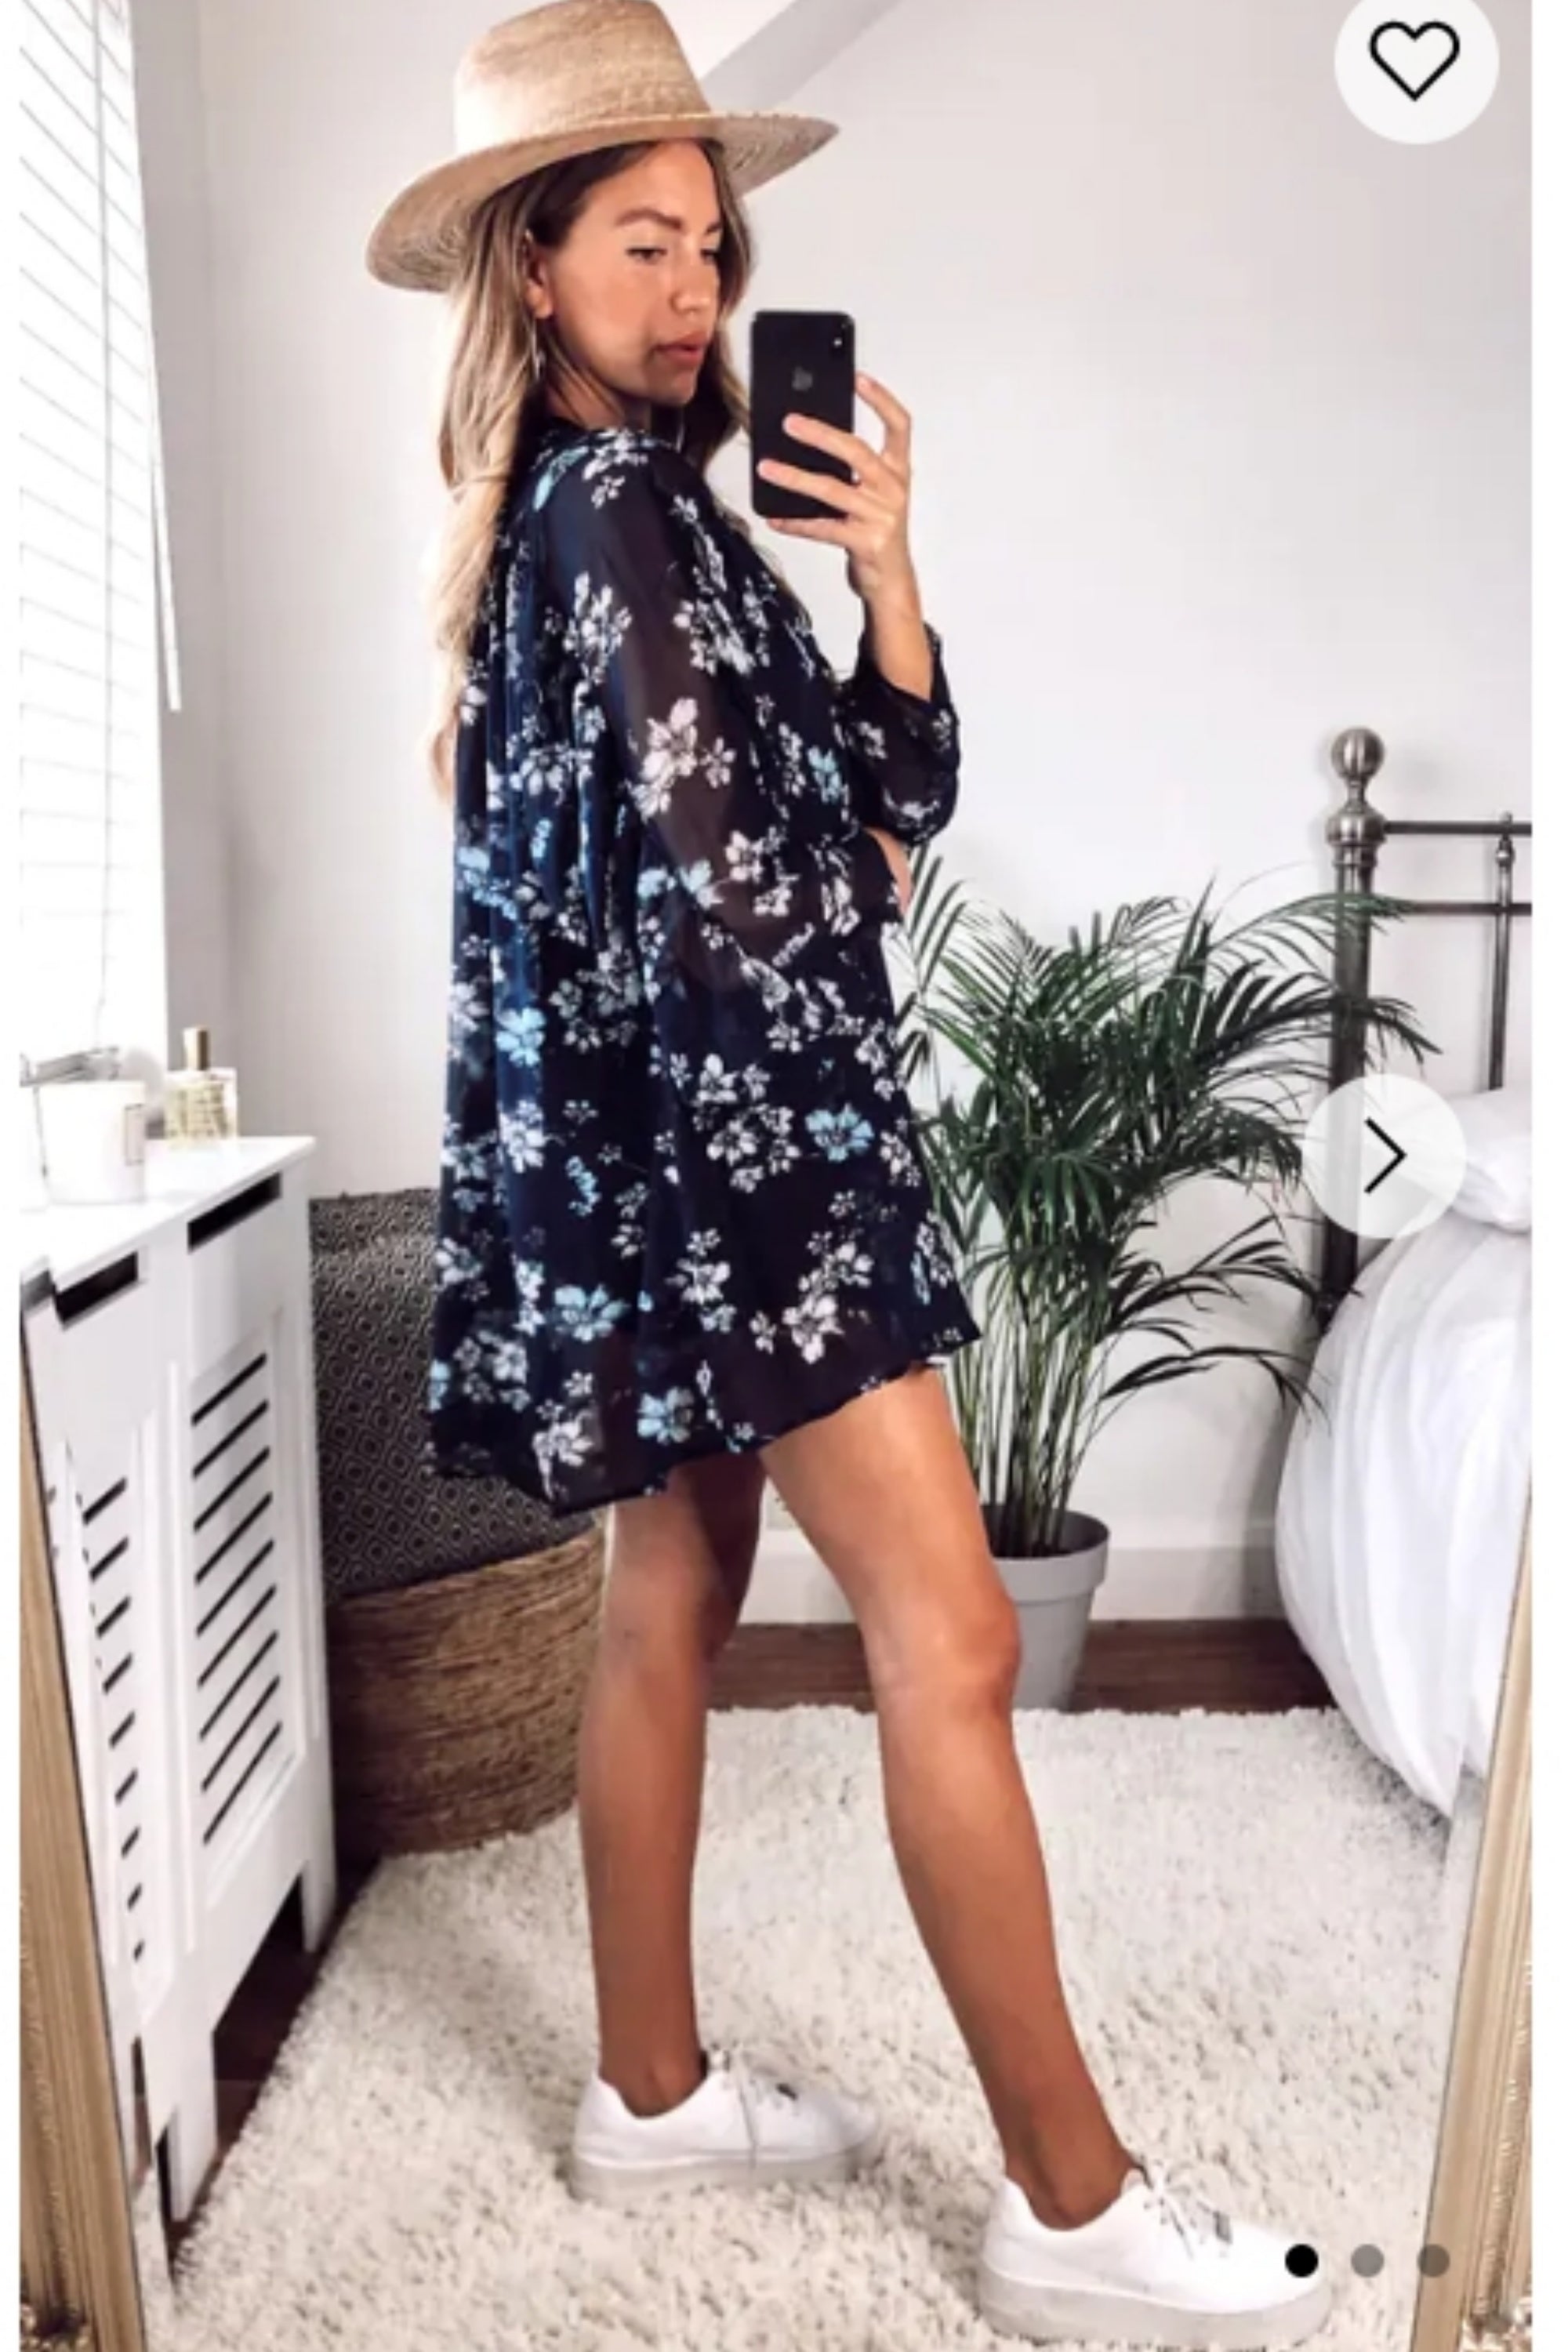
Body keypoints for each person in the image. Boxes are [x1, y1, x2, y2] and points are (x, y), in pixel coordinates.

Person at [366, 5, 1330, 2344]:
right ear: (530, 262)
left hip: (668, 1169)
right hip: (754, 1172)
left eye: (712, 243)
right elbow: (774, 897)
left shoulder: (624, 513)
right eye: (640, 240)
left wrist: (889, 576)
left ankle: (651, 2091)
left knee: (671, 1591)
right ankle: (1074, 2212)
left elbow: (875, 802)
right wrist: (853, 859)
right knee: (958, 1637)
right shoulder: (617, 521)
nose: (693, 285)